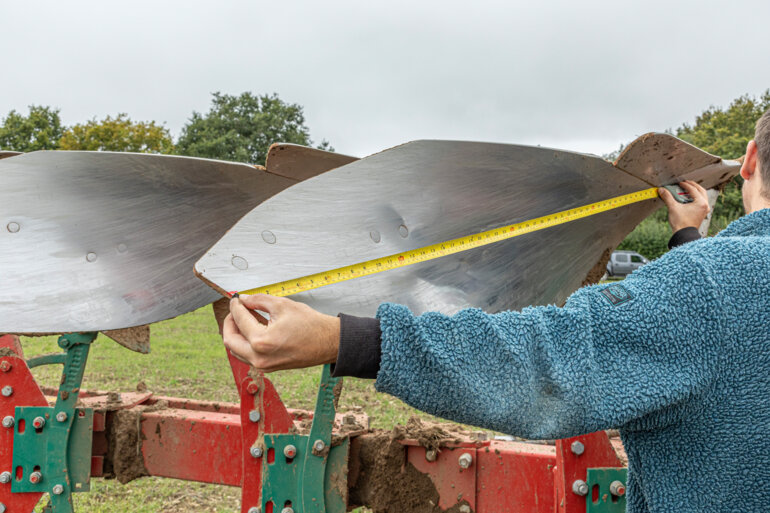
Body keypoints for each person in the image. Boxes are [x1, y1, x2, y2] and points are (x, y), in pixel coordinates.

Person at [222, 110, 770, 513]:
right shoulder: (715, 285)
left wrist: (345, 341)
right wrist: (691, 239)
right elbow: (718, 332)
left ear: (748, 159)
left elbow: (551, 364)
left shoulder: (712, 286)